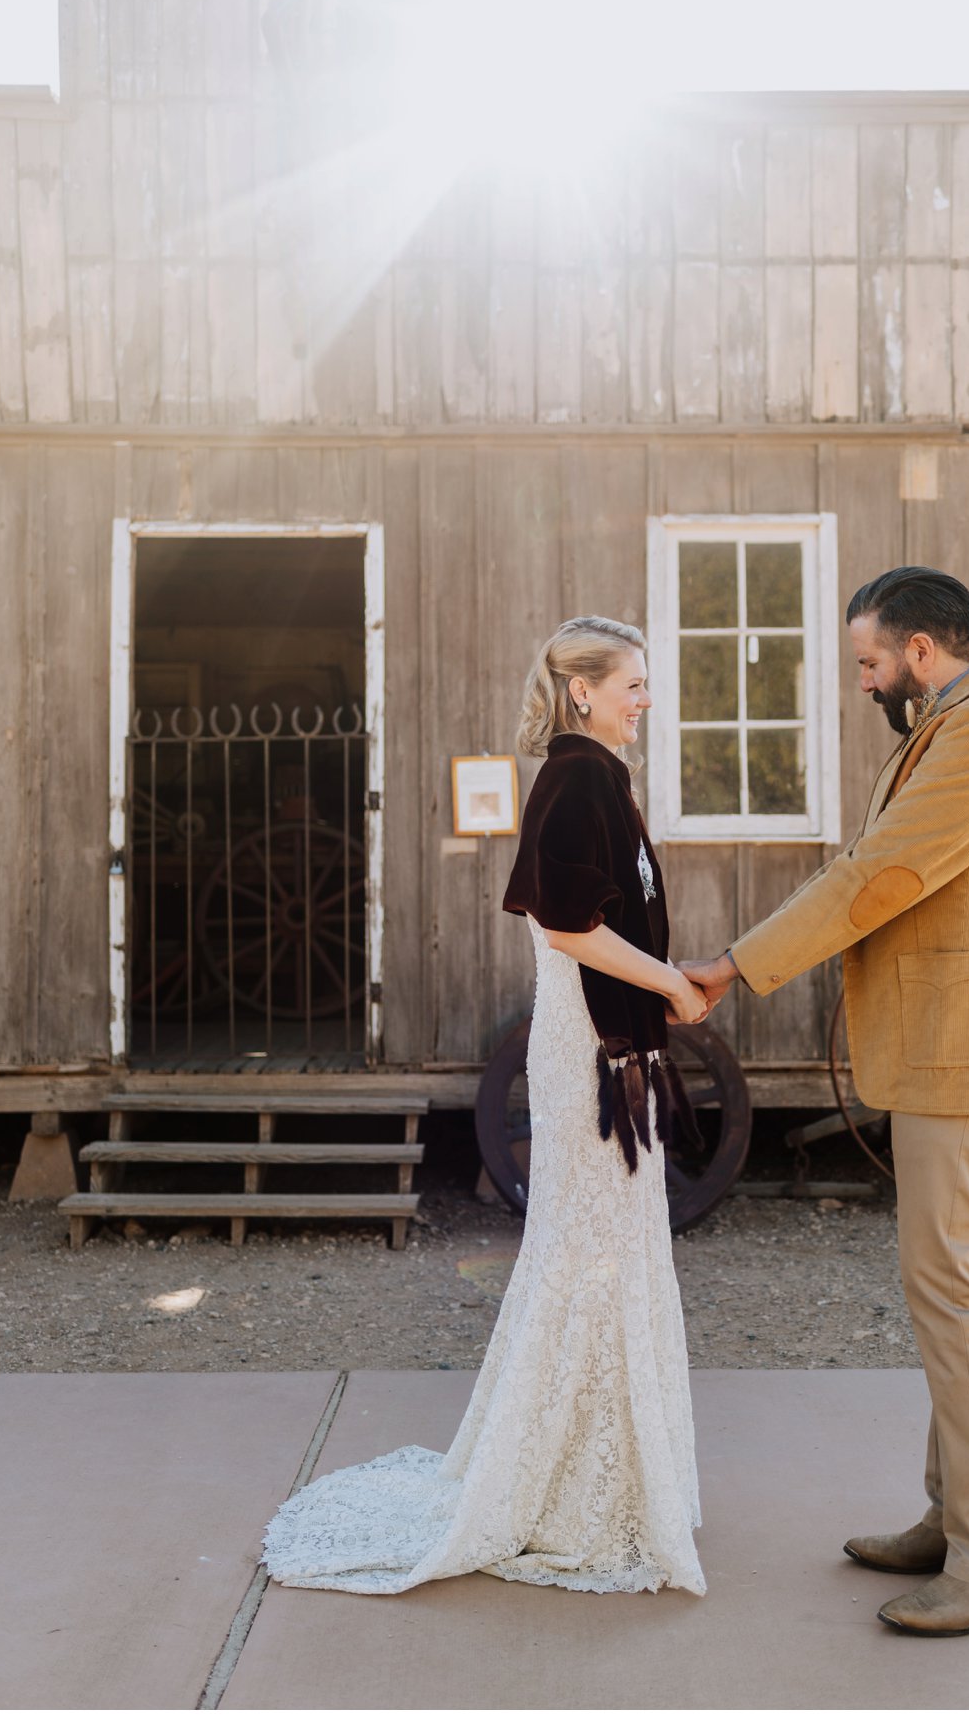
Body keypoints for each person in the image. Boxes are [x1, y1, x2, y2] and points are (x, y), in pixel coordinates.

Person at [263, 615, 709, 1597]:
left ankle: (609, 1471)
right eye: (634, 682)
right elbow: (567, 924)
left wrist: (666, 982)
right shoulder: (577, 775)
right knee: (589, 1247)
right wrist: (674, 984)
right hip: (584, 1038)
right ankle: (560, 1484)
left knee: (613, 1242)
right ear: (585, 690)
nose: (646, 697)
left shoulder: (601, 773)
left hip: (605, 1032)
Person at [679, 567, 969, 1638]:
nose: (862, 681)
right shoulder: (954, 719)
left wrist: (733, 962)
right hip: (954, 1045)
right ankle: (958, 1518)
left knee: (954, 1288)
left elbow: (883, 868)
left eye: (868, 660)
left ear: (920, 649)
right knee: (961, 1282)